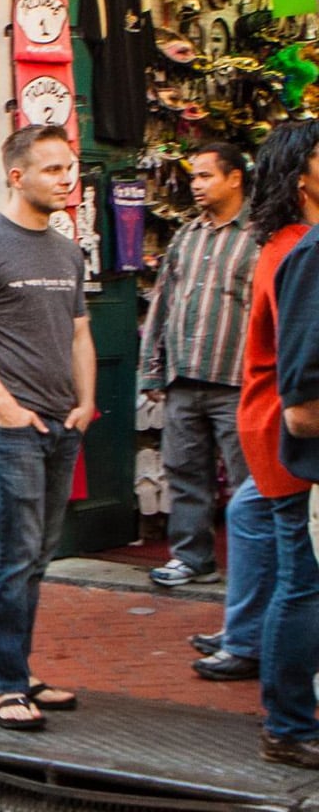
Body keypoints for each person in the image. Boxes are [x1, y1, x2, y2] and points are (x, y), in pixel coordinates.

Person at [0, 124, 98, 732]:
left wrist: (85, 402)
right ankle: (2, 684)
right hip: (8, 426)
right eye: (54, 169)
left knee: (37, 555)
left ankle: (17, 668)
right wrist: (3, 405)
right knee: (11, 554)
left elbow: (80, 331)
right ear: (17, 175)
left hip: (63, 424)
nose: (67, 179)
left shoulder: (67, 249)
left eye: (70, 168)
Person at [225, 121, 319, 766]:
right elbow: (302, 380)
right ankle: (287, 724)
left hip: (278, 428)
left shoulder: (293, 244)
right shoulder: (298, 249)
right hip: (288, 436)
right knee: (302, 581)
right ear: (302, 176)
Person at [140, 141, 256, 589]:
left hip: (236, 380)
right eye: (193, 177)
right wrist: (153, 370)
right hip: (183, 378)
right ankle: (193, 559)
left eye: (206, 175)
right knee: (185, 474)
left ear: (235, 178)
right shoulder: (186, 235)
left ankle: (251, 568)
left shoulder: (259, 235)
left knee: (247, 481)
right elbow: (163, 303)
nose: (196, 185)